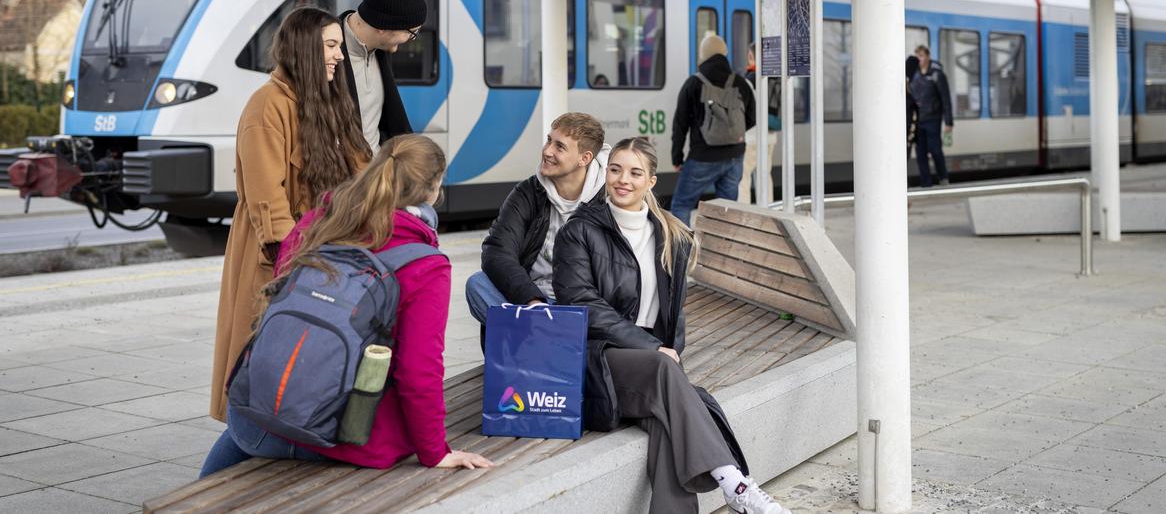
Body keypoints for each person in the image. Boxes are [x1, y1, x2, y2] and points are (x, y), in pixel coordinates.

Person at [200, 135, 493, 476]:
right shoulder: (426, 265)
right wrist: (435, 452)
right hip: (350, 438)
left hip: (263, 418)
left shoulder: (319, 220)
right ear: (433, 190)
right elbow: (418, 371)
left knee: (225, 454)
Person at [553, 137, 788, 514]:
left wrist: (668, 352)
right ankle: (736, 485)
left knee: (666, 423)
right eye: (615, 170)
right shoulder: (579, 231)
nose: (622, 180)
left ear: (651, 181)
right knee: (666, 371)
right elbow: (581, 305)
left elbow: (673, 312)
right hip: (597, 360)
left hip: (653, 367)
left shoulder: (671, 234)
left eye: (634, 172)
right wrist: (654, 351)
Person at [209, 7, 372, 421]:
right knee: (259, 365)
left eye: (338, 46)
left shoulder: (328, 99)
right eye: (330, 46)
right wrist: (294, 263)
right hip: (281, 259)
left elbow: (362, 173)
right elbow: (269, 202)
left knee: (295, 370)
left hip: (321, 253)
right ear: (304, 51)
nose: (338, 55)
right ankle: (231, 462)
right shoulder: (267, 105)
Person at [465, 113, 610, 324]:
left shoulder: (606, 198)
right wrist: (533, 301)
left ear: (584, 158)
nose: (547, 151)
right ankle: (547, 335)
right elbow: (497, 251)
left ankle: (535, 337)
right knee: (478, 284)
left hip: (581, 304)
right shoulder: (528, 191)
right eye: (549, 140)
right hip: (531, 301)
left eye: (559, 147)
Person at [670, 34, 756, 225]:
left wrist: (677, 157)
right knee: (726, 209)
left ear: (703, 56)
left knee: (682, 204)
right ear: (725, 55)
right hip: (735, 155)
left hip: (702, 157)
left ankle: (681, 250)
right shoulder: (741, 83)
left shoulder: (693, 83)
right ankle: (722, 249)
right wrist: (731, 133)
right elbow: (751, 118)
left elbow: (680, 124)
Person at [339, 0, 426, 153]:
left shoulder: (381, 49)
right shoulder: (322, 52)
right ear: (382, 27)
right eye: (412, 32)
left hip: (377, 176)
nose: (411, 39)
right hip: (342, 178)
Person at [739, 43, 780, 204]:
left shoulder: (748, 80)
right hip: (770, 136)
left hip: (751, 137)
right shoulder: (774, 78)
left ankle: (743, 215)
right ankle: (768, 211)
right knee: (765, 176)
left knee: (743, 178)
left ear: (751, 56)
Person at [910, 45, 953, 187]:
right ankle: (926, 183)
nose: (919, 59)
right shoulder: (913, 74)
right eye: (917, 56)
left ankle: (943, 178)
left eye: (921, 56)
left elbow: (945, 98)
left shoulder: (936, 74)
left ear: (928, 56)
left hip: (933, 119)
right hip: (918, 120)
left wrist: (948, 122)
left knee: (935, 150)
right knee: (920, 153)